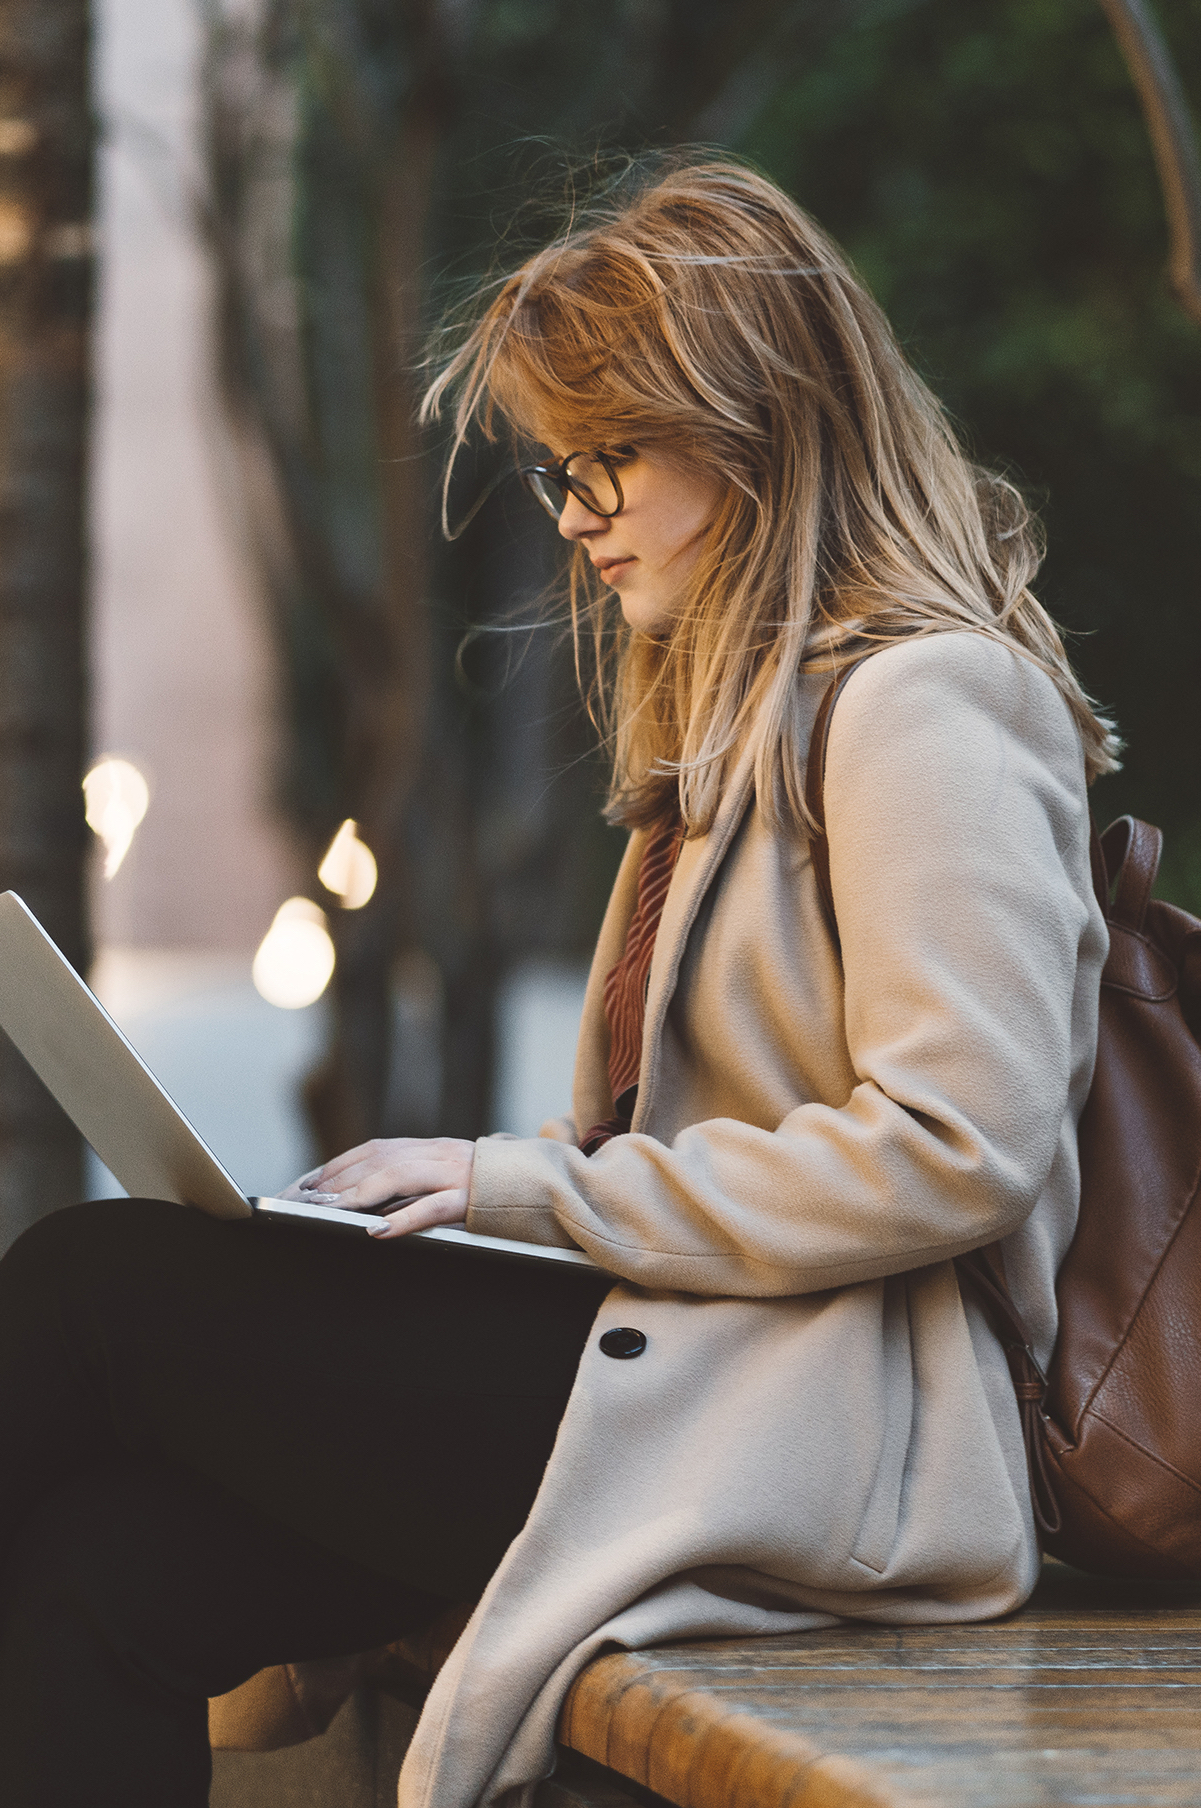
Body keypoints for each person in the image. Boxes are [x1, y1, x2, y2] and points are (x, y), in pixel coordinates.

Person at [0, 157, 1112, 1808]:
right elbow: (681, 1143)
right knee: (113, 1566)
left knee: (97, 1285)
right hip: (687, 1369)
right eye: (557, 468)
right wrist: (500, 1199)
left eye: (613, 455)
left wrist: (510, 1186)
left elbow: (957, 1146)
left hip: (842, 1431)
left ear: (761, 423)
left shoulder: (929, 703)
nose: (576, 508)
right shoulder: (729, 738)